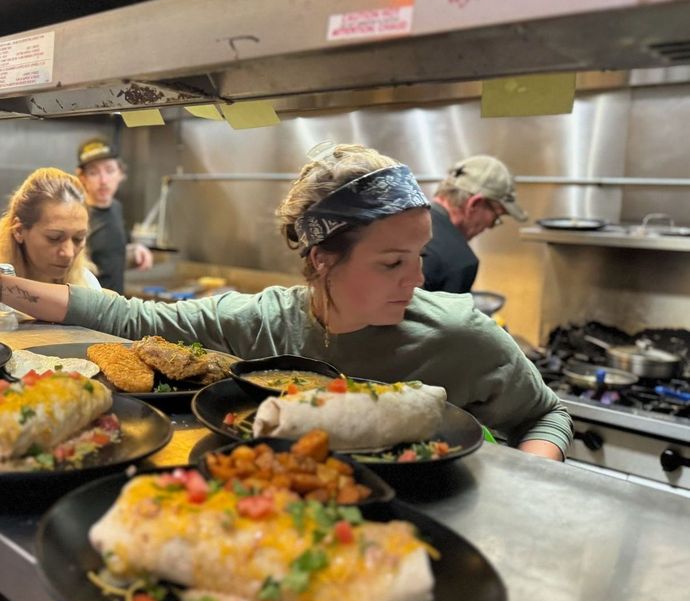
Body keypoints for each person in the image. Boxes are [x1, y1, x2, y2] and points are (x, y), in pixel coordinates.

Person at [0, 144, 572, 461]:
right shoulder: (267, 324)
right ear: (323, 258)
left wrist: (526, 478)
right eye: (392, 262)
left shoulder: (457, 335)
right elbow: (133, 317)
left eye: (420, 255)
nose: (416, 279)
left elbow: (547, 414)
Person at [422, 155, 528, 294]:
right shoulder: (459, 262)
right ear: (475, 204)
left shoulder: (400, 225)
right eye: (496, 216)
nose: (490, 226)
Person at [0, 167, 100, 288]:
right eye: (54, 238)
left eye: (78, 238)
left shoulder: (87, 285)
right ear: (19, 231)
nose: (68, 253)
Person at [76, 137, 153, 293]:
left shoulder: (116, 208)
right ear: (82, 177)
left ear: (121, 174)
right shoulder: (77, 217)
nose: (103, 180)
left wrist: (135, 248)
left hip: (115, 306)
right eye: (93, 172)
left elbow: (111, 249)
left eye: (110, 170)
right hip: (90, 308)